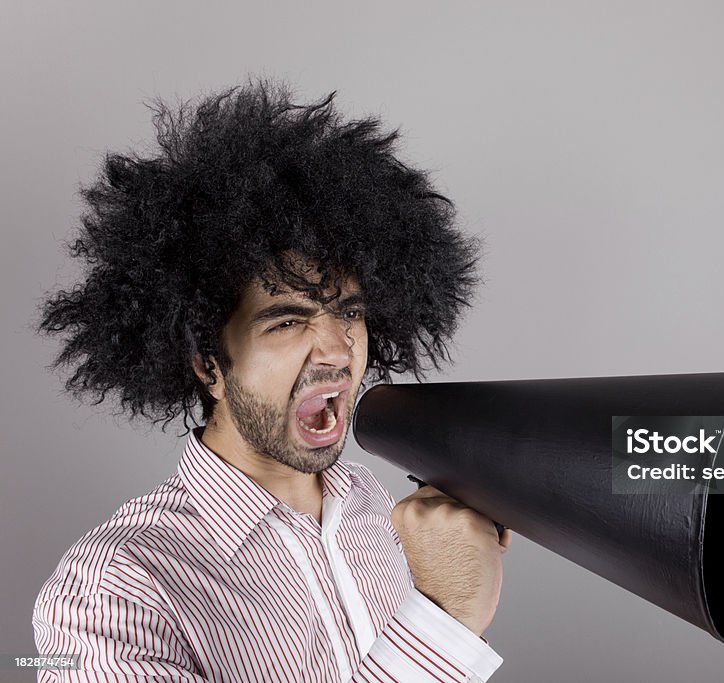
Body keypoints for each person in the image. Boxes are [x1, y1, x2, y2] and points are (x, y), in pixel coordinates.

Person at [32, 80, 510, 682]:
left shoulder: (370, 504)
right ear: (209, 363)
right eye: (287, 321)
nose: (338, 349)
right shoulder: (112, 593)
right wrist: (443, 616)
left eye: (351, 312)